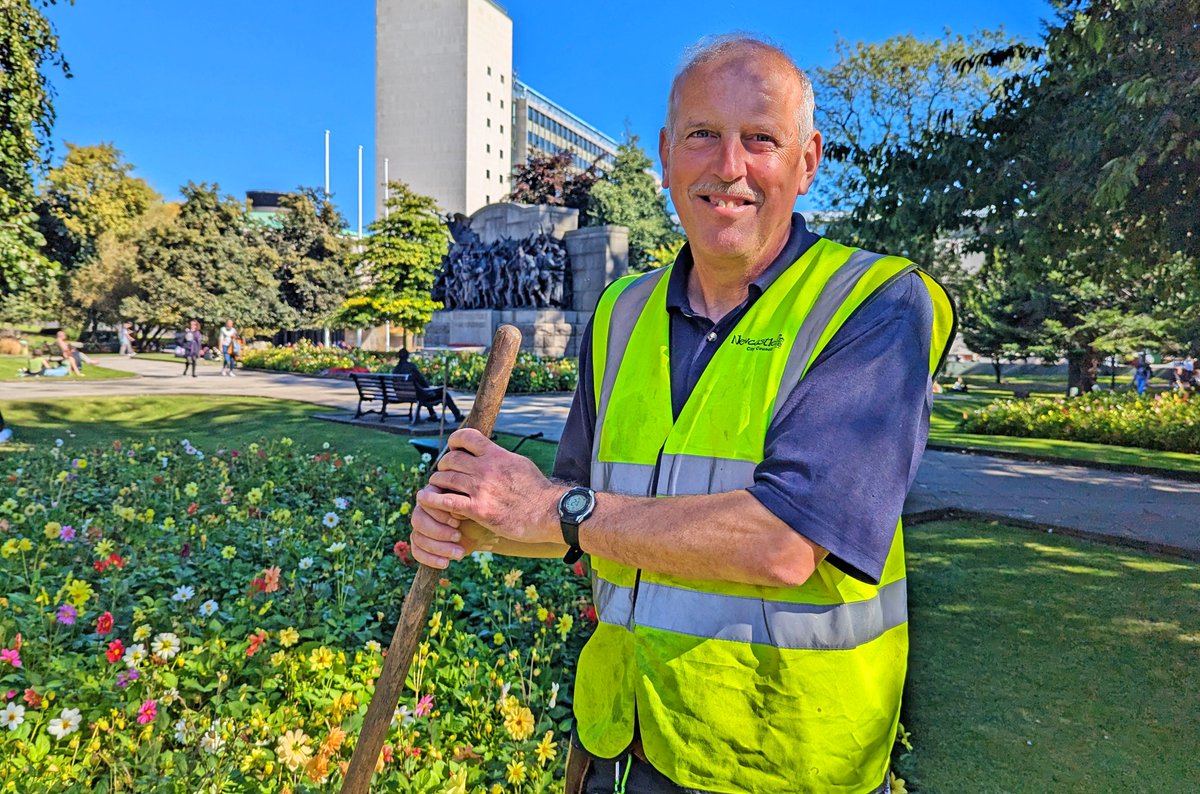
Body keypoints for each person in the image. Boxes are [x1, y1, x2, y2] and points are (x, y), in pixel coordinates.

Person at [410, 35, 955, 794]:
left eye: (760, 139)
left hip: (782, 761)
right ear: (667, 156)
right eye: (704, 135)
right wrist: (480, 517)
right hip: (624, 743)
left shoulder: (875, 304)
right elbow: (574, 517)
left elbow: (787, 541)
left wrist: (554, 511)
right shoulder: (619, 314)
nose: (728, 167)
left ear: (807, 162)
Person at [392, 348, 464, 422]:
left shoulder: (395, 370)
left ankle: (433, 414)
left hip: (403, 395)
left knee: (424, 392)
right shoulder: (411, 367)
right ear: (407, 356)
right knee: (443, 393)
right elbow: (422, 381)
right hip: (419, 396)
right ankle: (457, 415)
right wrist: (429, 388)